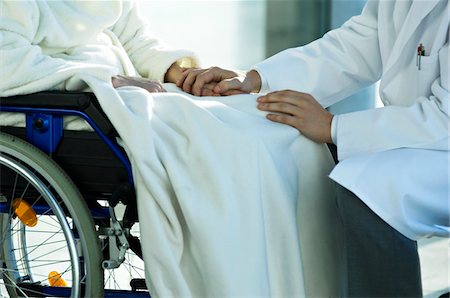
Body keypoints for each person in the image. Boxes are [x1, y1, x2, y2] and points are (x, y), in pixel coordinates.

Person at [1, 1, 342, 297]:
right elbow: (7, 59)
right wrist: (110, 82)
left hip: (117, 93)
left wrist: (176, 71)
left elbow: (132, 36)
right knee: (227, 145)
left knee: (277, 127)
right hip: (66, 102)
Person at [176, 0, 450, 297]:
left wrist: (333, 127)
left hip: (440, 137)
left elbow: (445, 117)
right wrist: (256, 79)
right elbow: (361, 44)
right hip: (427, 138)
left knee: (369, 190)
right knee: (342, 172)